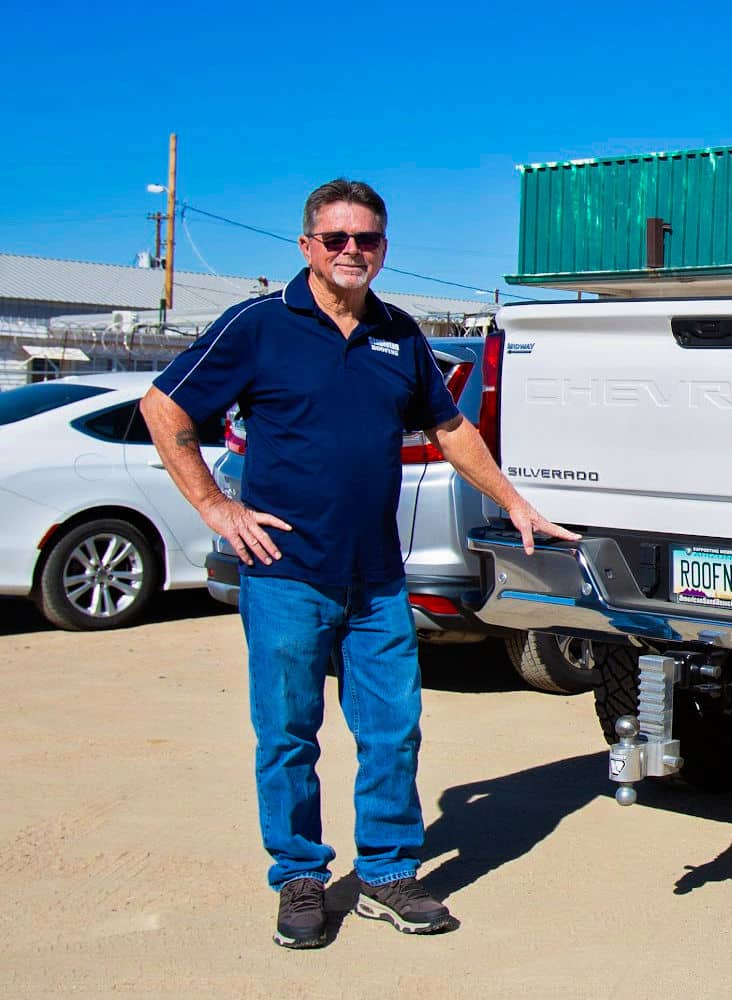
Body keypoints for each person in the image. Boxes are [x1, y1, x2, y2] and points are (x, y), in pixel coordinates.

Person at [140, 178, 579, 949]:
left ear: (383, 247)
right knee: (287, 734)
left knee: (393, 732)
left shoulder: (399, 334)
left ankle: (386, 873)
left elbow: (450, 429)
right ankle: (301, 878)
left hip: (377, 577)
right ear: (307, 245)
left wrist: (514, 501)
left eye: (366, 239)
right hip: (284, 575)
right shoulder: (258, 326)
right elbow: (163, 406)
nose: (352, 251)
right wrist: (217, 508)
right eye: (336, 238)